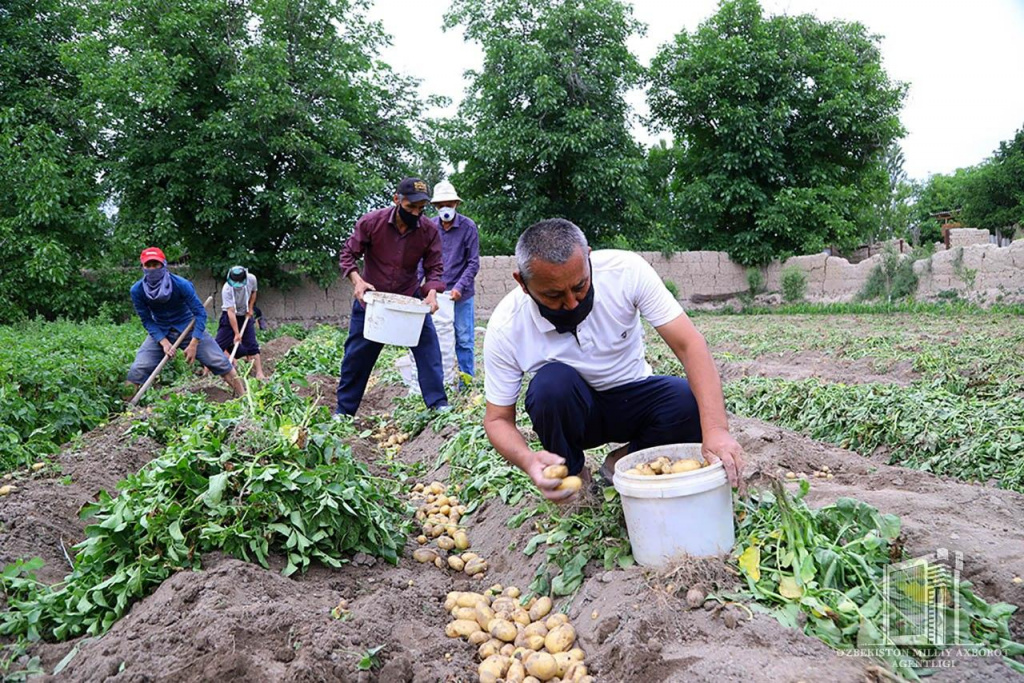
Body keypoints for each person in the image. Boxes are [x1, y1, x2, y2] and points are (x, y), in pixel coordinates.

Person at [482, 219, 744, 502]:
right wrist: (528, 460)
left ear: (588, 258)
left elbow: (689, 344)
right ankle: (574, 475)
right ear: (522, 282)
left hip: (633, 400)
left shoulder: (626, 271)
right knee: (550, 387)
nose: (571, 303)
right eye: (553, 295)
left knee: (687, 400)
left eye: (580, 286)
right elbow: (497, 419)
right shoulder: (506, 325)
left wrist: (717, 430)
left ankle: (620, 462)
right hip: (574, 411)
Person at [336, 177, 449, 415]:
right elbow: (348, 254)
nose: (416, 213)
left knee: (429, 353)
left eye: (421, 208)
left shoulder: (428, 230)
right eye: (411, 207)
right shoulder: (371, 223)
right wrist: (358, 281)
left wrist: (431, 294)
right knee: (356, 358)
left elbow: (434, 267)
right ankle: (344, 413)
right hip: (372, 302)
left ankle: (439, 407)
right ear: (397, 200)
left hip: (409, 301)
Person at [126, 247, 245, 396]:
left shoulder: (181, 284)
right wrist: (163, 342)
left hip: (188, 327)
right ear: (142, 267)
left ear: (163, 264)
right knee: (137, 370)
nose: (152, 269)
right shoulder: (137, 290)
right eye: (148, 265)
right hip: (161, 331)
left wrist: (194, 343)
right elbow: (147, 320)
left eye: (155, 265)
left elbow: (200, 313)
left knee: (219, 362)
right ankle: (126, 411)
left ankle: (244, 398)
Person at [431, 180, 480, 381]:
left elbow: (473, 263)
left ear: (456, 204)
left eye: (449, 204)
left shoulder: (468, 227)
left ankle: (467, 382)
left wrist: (460, 287)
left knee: (464, 339)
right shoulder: (429, 227)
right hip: (436, 293)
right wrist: (423, 287)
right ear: (435, 207)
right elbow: (421, 260)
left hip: (461, 293)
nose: (446, 209)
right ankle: (441, 380)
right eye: (441, 205)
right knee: (437, 339)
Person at [214, 265, 266, 380]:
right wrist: (237, 333)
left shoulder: (251, 279)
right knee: (217, 345)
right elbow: (231, 312)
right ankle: (207, 373)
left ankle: (259, 373)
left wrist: (251, 308)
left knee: (252, 345)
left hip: (245, 315)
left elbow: (253, 292)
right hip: (229, 317)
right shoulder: (227, 289)